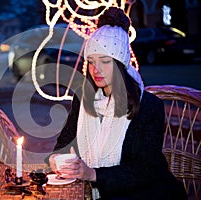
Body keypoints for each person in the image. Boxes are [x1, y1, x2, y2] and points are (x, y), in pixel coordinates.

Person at [46, 6, 187, 200]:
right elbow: (63, 145)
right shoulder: (83, 99)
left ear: (120, 63)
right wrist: (56, 161)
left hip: (147, 192)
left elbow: (145, 169)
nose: (96, 69)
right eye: (92, 61)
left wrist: (93, 174)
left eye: (105, 61)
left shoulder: (148, 106)